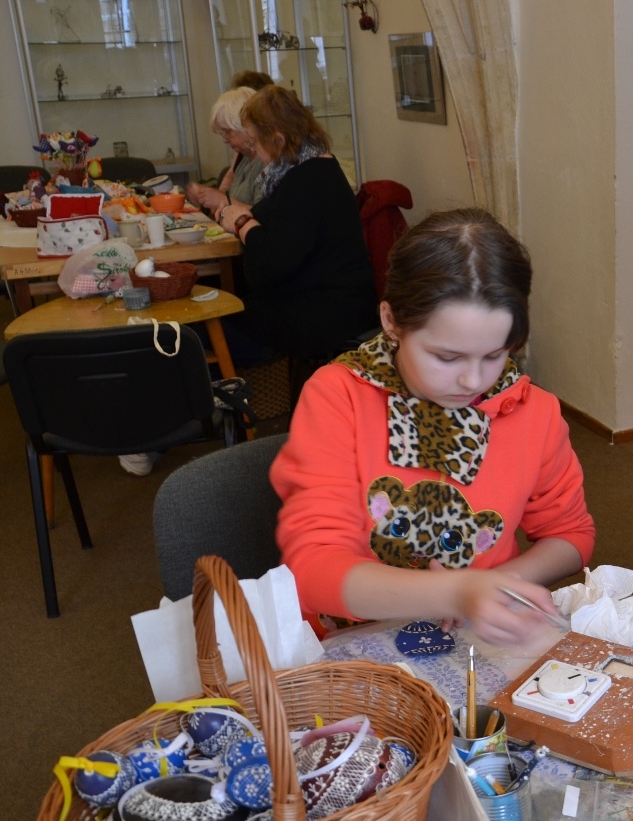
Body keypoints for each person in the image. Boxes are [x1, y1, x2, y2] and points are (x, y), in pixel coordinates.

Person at [270, 208, 596, 643]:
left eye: (495, 355)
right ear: (392, 321)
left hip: (474, 639)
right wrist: (455, 593)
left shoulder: (532, 410)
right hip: (350, 644)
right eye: (447, 357)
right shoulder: (338, 396)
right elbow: (312, 569)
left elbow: (570, 534)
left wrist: (496, 586)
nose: (473, 381)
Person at [214, 85, 378, 363]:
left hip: (323, 314)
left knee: (206, 331)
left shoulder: (306, 180)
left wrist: (242, 222)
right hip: (325, 303)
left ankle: (234, 389)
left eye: (255, 142)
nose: (254, 149)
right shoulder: (312, 168)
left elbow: (273, 265)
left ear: (277, 139)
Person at [185, 87, 264, 213]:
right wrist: (205, 198)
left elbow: (265, 216)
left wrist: (223, 200)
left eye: (228, 132)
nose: (224, 140)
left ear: (246, 127)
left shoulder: (266, 161)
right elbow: (228, 200)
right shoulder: (244, 157)